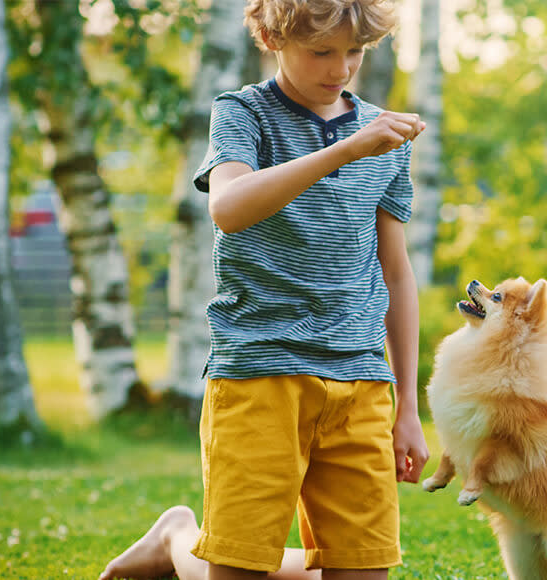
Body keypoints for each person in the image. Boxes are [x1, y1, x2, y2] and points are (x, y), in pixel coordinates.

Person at [100, 0, 428, 578]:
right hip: (258, 374)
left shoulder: (383, 138)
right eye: (322, 51)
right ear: (273, 39)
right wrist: (346, 150)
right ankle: (179, 539)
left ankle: (177, 537)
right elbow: (229, 208)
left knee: (362, 568)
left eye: (355, 51)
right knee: (238, 566)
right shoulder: (242, 114)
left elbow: (396, 273)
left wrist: (408, 408)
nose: (342, 68)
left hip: (360, 383)